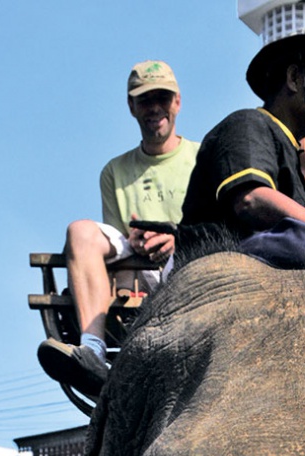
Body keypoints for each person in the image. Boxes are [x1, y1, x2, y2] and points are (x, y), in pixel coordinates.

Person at [38, 60, 200, 398]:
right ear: (132, 106)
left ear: (178, 102)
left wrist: (175, 238)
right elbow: (113, 242)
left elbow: (212, 227)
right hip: (137, 268)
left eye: (163, 98)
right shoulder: (114, 171)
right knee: (80, 231)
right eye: (145, 99)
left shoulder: (202, 157)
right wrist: (135, 240)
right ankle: (93, 351)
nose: (155, 107)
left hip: (187, 262)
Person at [179, 26, 305, 268]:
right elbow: (252, 199)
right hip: (216, 262)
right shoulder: (247, 123)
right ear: (295, 79)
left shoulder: (290, 152)